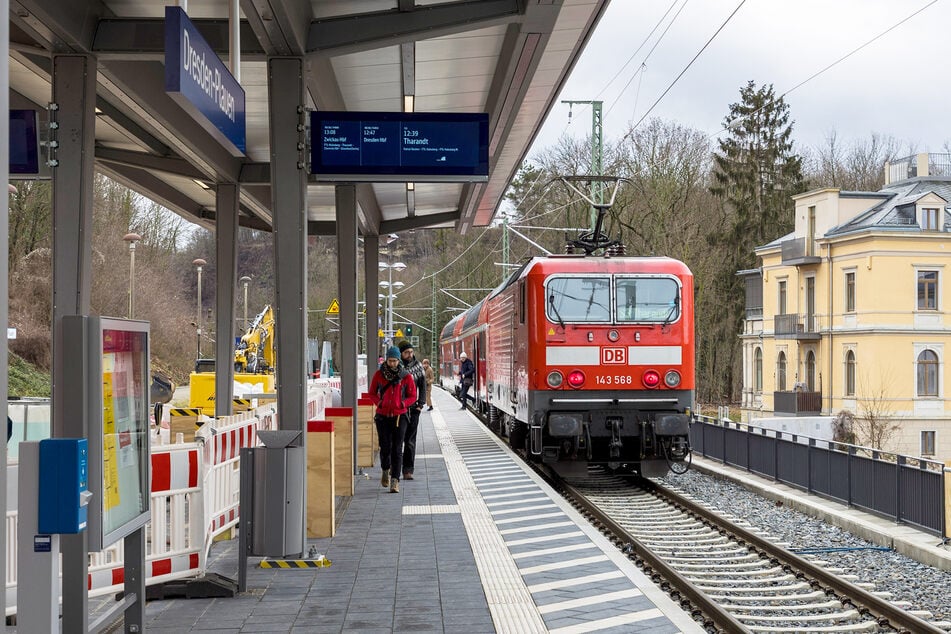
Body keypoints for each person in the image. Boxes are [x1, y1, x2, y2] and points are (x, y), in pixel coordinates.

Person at [368, 345, 417, 493]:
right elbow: (372, 393)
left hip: (400, 416)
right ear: (386, 360)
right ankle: (385, 469)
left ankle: (395, 480)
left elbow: (412, 395)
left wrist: (403, 404)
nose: (393, 363)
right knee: (385, 447)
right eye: (390, 361)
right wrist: (380, 403)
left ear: (399, 360)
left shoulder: (406, 376)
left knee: (397, 448)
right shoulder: (379, 375)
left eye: (395, 361)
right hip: (383, 416)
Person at [398, 340, 426, 481]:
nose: (409, 355)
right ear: (401, 353)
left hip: (414, 409)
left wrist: (421, 404)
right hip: (399, 409)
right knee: (397, 440)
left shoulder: (418, 366)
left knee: (410, 440)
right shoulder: (396, 367)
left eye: (411, 352)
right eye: (406, 352)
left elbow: (423, 386)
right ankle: (395, 468)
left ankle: (408, 470)